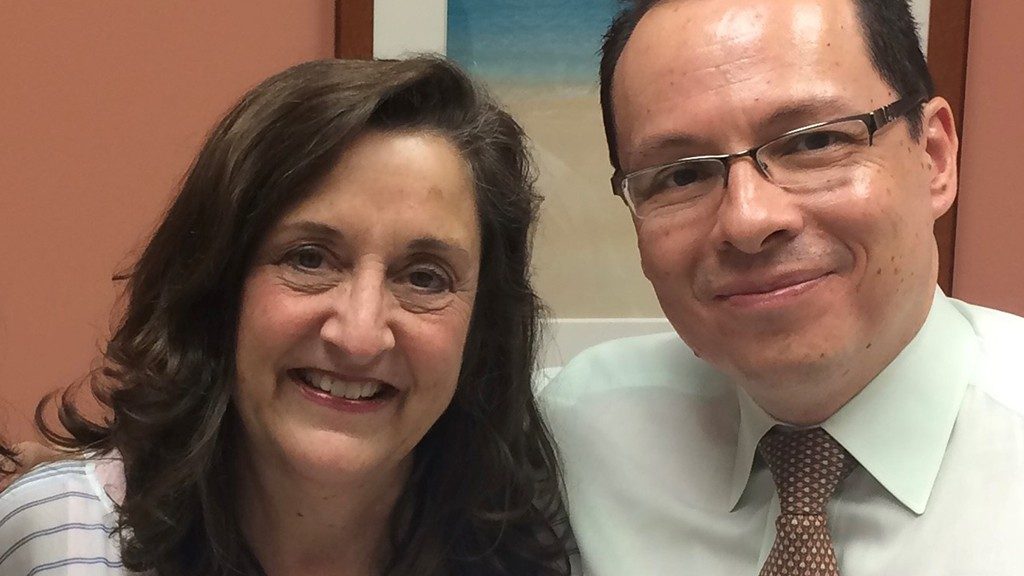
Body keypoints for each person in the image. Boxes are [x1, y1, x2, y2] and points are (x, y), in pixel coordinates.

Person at [0, 57, 570, 576]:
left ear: (481, 329)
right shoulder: (57, 543)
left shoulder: (541, 553)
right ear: (217, 287)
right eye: (309, 258)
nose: (359, 334)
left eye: (424, 277)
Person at [538, 0, 1024, 574]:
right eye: (682, 174)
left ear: (934, 157)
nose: (748, 220)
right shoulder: (580, 427)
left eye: (812, 142)